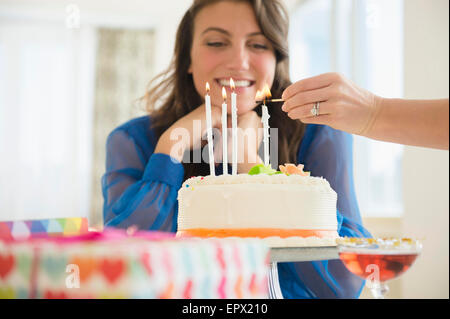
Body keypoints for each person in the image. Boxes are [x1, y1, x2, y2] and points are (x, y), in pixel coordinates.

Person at [102, 0, 371, 299]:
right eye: (217, 42)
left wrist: (249, 163)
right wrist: (169, 149)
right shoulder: (132, 140)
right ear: (187, 57)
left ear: (276, 59)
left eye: (258, 45)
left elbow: (347, 283)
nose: (239, 61)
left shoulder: (320, 133)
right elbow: (122, 270)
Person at [281, 72, 449, 150]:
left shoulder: (322, 126)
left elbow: (347, 221)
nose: (252, 63)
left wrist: (374, 114)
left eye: (259, 45)